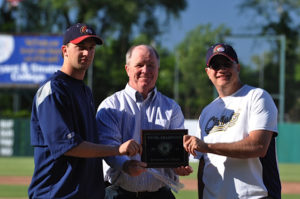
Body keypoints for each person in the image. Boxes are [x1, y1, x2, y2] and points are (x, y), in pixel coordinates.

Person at [28, 23, 142, 199]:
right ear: (65, 50)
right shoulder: (53, 90)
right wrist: (117, 149)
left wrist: (124, 164)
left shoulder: (85, 91)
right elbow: (69, 146)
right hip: (57, 194)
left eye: (91, 48)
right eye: (80, 47)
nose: (87, 53)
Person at [183, 43, 281, 199]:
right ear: (208, 73)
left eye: (227, 63)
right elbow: (204, 165)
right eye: (215, 65)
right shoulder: (207, 112)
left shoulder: (257, 97)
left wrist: (206, 146)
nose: (222, 69)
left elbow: (258, 146)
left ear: (238, 67)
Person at [96, 44, 193, 199]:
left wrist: (178, 165)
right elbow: (108, 148)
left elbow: (176, 150)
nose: (146, 70)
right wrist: (126, 165)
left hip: (160, 195)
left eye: (151, 65)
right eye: (139, 65)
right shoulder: (110, 106)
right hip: (118, 194)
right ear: (127, 69)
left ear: (158, 70)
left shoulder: (172, 108)